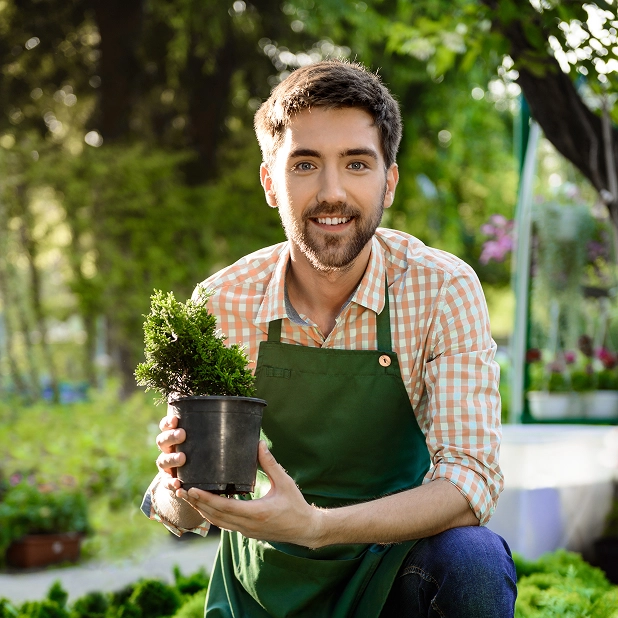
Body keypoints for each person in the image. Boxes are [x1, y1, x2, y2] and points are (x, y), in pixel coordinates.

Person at [142, 60, 517, 617]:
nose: (332, 192)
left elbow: (470, 482)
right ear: (271, 181)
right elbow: (185, 513)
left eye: (357, 163)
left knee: (474, 560)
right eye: (305, 164)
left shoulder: (441, 289)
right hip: (265, 591)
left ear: (388, 179)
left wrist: (318, 527)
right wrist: (178, 487)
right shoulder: (223, 302)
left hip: (395, 575)